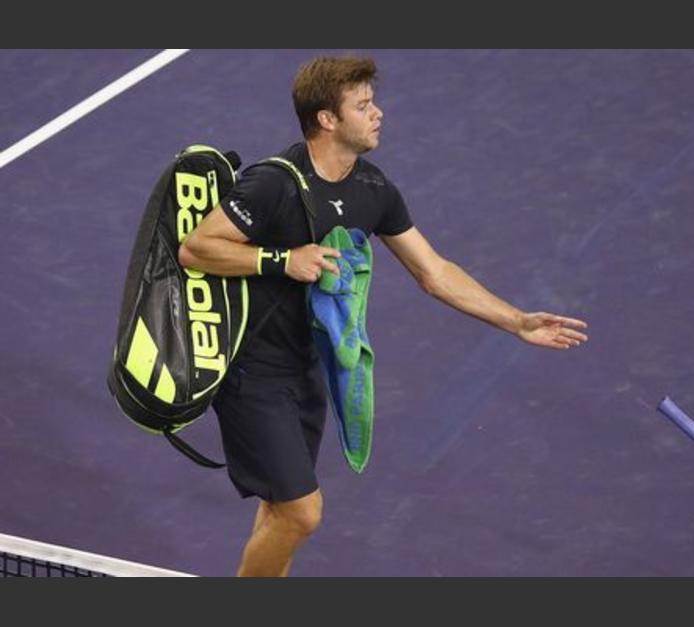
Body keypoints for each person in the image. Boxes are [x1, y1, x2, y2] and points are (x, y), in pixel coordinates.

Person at [178, 56, 589, 577]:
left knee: (279, 511)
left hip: (307, 369)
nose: (379, 113)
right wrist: (283, 259)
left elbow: (433, 270)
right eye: (363, 105)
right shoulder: (273, 184)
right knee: (303, 514)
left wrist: (517, 321)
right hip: (249, 371)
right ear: (327, 119)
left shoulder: (372, 189)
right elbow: (197, 248)